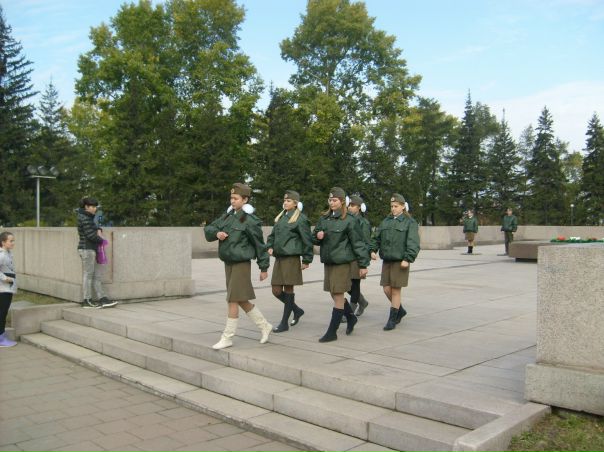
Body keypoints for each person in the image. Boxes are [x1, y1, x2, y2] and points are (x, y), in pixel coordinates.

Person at [204, 183, 273, 350]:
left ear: (245, 200)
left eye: (236, 198)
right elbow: (209, 228)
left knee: (232, 299)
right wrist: (217, 233)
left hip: (241, 264)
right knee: (240, 299)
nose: (232, 201)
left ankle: (227, 337)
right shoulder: (227, 216)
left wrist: (263, 268)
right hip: (228, 263)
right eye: (231, 198)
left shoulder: (250, 220)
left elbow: (259, 245)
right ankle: (264, 326)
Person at [312, 187, 369, 343]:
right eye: (330, 200)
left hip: (342, 263)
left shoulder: (349, 220)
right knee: (333, 293)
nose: (331, 203)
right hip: (328, 262)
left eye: (335, 200)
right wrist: (318, 236)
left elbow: (358, 243)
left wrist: (363, 265)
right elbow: (314, 238)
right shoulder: (324, 218)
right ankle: (351, 318)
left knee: (337, 295)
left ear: (342, 201)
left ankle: (332, 332)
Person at [370, 193, 420, 331]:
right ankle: (400, 310)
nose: (393, 209)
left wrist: (408, 258)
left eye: (396, 206)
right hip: (387, 260)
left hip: (400, 261)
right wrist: (372, 250)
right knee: (386, 289)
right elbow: (376, 237)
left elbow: (413, 242)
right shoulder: (386, 221)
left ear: (403, 206)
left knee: (396, 290)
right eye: (392, 206)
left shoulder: (410, 222)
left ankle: (392, 319)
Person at [266, 190, 313, 333]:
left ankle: (284, 323)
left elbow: (307, 240)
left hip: (291, 258)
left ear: (295, 203)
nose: (285, 202)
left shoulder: (300, 219)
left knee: (288, 289)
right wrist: (270, 246)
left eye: (289, 201)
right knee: (276, 290)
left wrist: (306, 259)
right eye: (285, 200)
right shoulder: (281, 217)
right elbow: (272, 236)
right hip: (279, 258)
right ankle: (297, 310)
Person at [77, 198, 117, 308]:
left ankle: (102, 298)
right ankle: (87, 300)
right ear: (86, 207)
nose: (95, 209)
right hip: (87, 249)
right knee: (88, 275)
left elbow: (94, 228)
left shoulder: (88, 217)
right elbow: (90, 235)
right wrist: (102, 240)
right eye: (93, 206)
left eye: (95, 206)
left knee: (96, 275)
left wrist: (99, 229)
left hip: (92, 249)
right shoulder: (84, 217)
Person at [346, 194, 371, 317]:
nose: (349, 207)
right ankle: (363, 302)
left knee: (355, 284)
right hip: (347, 256)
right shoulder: (347, 219)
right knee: (347, 284)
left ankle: (350, 311)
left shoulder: (363, 222)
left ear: (360, 207)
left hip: (357, 257)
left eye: (353, 205)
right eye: (349, 205)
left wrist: (363, 262)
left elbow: (366, 242)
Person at [0, 232, 18, 347]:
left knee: (2, 313)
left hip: (7, 288)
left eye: (13, 241)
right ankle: (1, 339)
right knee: (2, 313)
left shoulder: (8, 253)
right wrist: (5, 278)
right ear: (3, 242)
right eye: (10, 241)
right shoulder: (1, 255)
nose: (13, 243)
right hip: (3, 289)